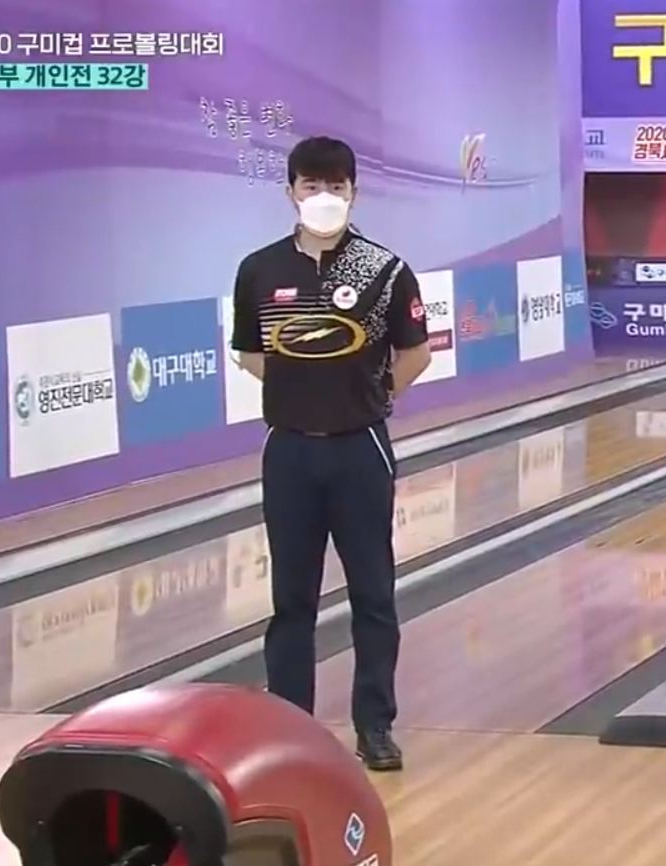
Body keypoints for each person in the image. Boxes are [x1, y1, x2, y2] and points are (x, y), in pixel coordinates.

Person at [230, 136, 433, 772]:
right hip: (289, 450)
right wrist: (303, 391)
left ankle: (375, 727)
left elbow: (416, 352)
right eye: (312, 186)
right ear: (290, 192)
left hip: (360, 448)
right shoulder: (259, 269)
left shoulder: (384, 269)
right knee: (292, 600)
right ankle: (291, 727)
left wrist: (371, 396)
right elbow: (250, 353)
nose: (324, 196)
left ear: (354, 192)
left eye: (336, 186)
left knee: (373, 594)